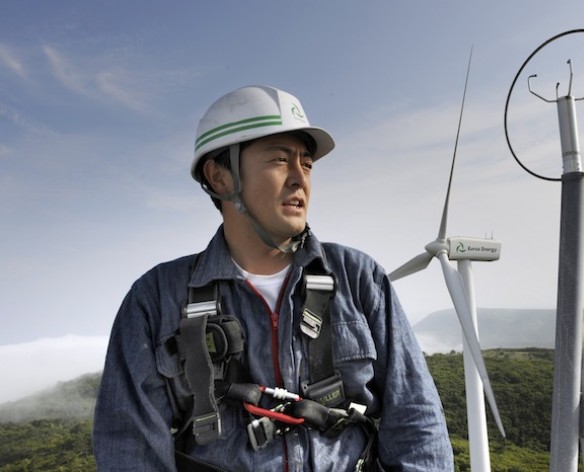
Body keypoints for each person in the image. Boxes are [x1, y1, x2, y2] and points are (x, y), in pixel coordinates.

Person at [93, 85, 454, 471]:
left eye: (307, 163)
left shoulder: (358, 278)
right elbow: (129, 451)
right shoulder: (156, 299)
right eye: (280, 160)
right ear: (220, 177)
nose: (300, 178)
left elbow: (418, 426)